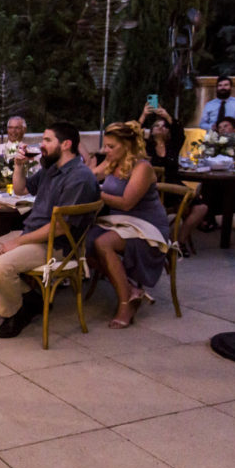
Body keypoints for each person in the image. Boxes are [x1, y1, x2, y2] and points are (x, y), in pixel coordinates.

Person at [0, 122, 101, 338]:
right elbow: (21, 189)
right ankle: (30, 299)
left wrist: (19, 242)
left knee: (2, 265)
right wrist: (19, 165)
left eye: (47, 140)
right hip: (33, 234)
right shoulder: (52, 169)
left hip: (58, 244)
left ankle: (14, 315)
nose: (41, 145)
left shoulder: (80, 177)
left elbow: (60, 227)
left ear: (66, 144)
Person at [87, 122, 170, 329]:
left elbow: (126, 203)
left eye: (111, 146)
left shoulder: (142, 167)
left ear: (127, 145)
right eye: (105, 145)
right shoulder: (112, 162)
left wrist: (98, 194)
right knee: (81, 242)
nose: (106, 150)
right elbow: (91, 177)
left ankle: (125, 304)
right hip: (120, 223)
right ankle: (131, 289)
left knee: (102, 243)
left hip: (146, 226)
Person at [139, 102, 207, 250]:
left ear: (168, 132)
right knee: (183, 208)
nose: (160, 128)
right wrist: (144, 115)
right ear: (151, 130)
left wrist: (166, 115)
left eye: (164, 126)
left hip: (174, 186)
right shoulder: (146, 146)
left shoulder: (173, 146)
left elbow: (179, 132)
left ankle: (179, 241)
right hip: (154, 189)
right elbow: (132, 134)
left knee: (201, 208)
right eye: (156, 125)